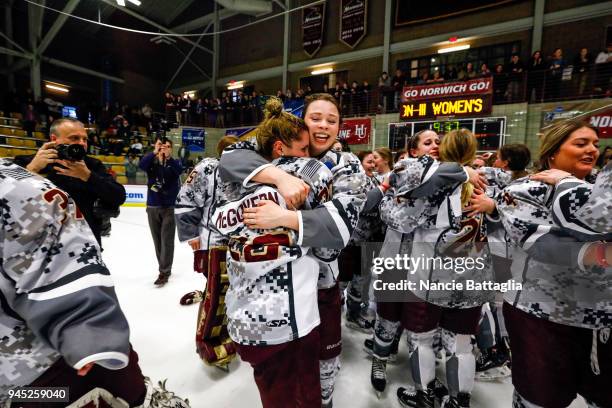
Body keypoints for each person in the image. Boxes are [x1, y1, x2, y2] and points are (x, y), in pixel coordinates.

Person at [0, 159, 189, 408]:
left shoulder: (19, 185)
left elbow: (115, 198)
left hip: (45, 373)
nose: (79, 145)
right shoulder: (24, 176)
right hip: (26, 381)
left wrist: (87, 335)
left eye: (83, 138)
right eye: (73, 139)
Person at [219, 93, 367, 408]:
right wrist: (278, 177)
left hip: (320, 288)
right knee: (283, 380)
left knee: (323, 366)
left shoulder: (347, 163)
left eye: (332, 120)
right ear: (303, 120)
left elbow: (341, 227)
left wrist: (285, 218)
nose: (324, 126)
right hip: (267, 294)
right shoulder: (275, 148)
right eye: (316, 117)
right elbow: (229, 157)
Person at [496, 119, 611, 408]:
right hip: (542, 314)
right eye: (580, 143)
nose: (592, 150)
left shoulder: (602, 189)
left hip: (601, 318)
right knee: (539, 398)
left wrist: (567, 183)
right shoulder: (524, 189)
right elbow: (546, 248)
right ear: (552, 153)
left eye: (595, 144)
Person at [385, 129, 493, 408]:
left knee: (420, 338)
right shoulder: (486, 179)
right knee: (461, 342)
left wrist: (388, 203)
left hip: (431, 272)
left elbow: (404, 222)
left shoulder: (433, 183)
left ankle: (424, 395)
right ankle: (460, 400)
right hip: (473, 270)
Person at [174, 136, 239, 367]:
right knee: (216, 291)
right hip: (212, 243)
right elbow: (186, 198)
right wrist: (191, 234)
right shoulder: (207, 167)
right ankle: (210, 342)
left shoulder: (246, 169)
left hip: (237, 244)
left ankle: (231, 332)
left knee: (231, 290)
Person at [13, 118, 126, 246]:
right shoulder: (27, 162)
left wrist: (88, 176)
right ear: (54, 139)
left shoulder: (93, 165)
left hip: (84, 247)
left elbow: (119, 196)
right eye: (74, 138)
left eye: (84, 139)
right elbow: (8, 198)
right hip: (39, 245)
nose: (82, 143)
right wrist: (32, 169)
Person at [139, 137, 183, 286]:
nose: (164, 148)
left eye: (167, 146)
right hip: (152, 206)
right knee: (157, 241)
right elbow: (141, 165)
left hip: (169, 207)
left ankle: (164, 272)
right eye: (161, 145)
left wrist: (168, 158)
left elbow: (179, 171)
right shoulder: (151, 161)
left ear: (171, 148)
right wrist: (154, 152)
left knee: (167, 241)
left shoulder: (174, 163)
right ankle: (163, 267)